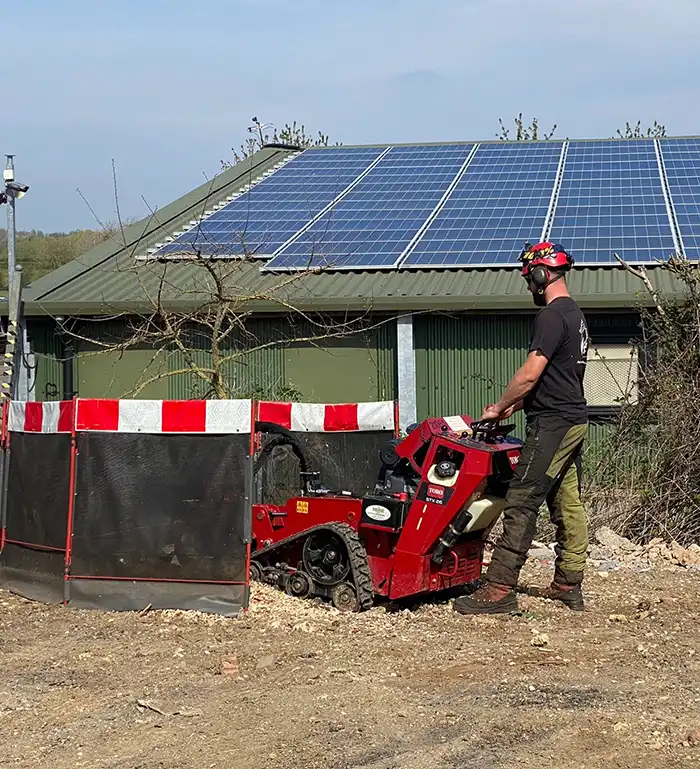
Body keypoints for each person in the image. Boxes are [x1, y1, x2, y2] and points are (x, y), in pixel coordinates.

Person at [454, 242, 590, 615]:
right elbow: (555, 379)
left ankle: (498, 589)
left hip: (553, 424)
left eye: (528, 276)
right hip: (573, 419)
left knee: (521, 499)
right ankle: (568, 584)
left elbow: (531, 374)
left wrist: (499, 405)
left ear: (541, 274)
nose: (527, 284)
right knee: (567, 502)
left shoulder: (550, 316)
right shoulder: (575, 315)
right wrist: (508, 409)